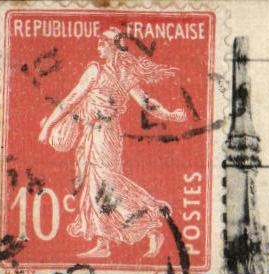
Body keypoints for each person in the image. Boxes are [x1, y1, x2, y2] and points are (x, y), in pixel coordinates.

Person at [37, 28, 187, 260]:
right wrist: (48, 125)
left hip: (104, 135)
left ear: (114, 46)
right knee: (98, 185)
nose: (98, 47)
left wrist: (170, 115)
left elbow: (145, 103)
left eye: (102, 43)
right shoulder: (107, 71)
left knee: (103, 183)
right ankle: (120, 236)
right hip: (97, 133)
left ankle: (146, 220)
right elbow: (73, 99)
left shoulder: (106, 72)